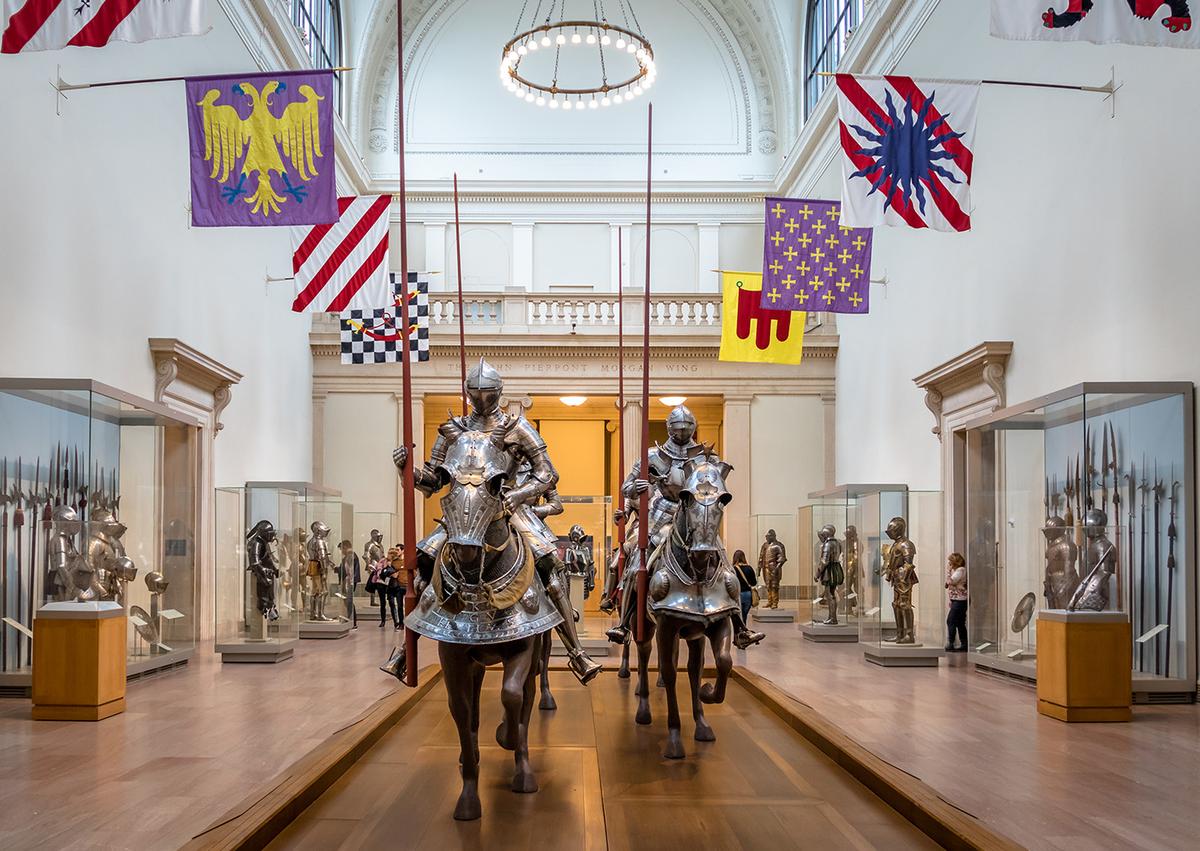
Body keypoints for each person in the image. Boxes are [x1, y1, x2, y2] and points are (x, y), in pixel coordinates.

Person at [944, 552, 967, 652]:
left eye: (950, 561)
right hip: (956, 599)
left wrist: (948, 572)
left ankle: (951, 643)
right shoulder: (957, 571)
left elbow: (950, 582)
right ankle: (964, 643)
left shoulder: (960, 570)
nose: (949, 563)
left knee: (951, 620)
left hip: (959, 600)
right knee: (959, 622)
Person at [337, 539, 360, 629]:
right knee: (348, 601)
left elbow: (349, 570)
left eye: (341, 549)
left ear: (345, 547)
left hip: (349, 581)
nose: (341, 551)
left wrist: (349, 582)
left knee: (349, 601)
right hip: (349, 581)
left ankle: (352, 620)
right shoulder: (349, 556)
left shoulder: (351, 556)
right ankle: (350, 619)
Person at [732, 549, 757, 625]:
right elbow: (754, 583)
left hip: (736, 595)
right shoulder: (749, 568)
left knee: (737, 616)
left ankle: (738, 631)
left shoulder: (732, 569)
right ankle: (744, 630)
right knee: (744, 616)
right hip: (747, 594)